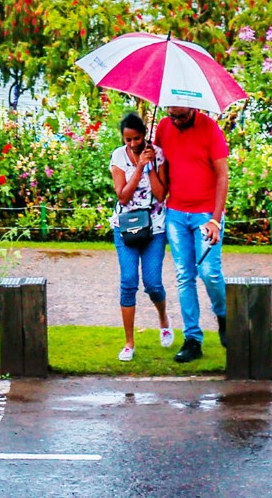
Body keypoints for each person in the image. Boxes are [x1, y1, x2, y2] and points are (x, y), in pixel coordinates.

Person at [154, 104, 230, 363]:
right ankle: (193, 339)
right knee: (184, 276)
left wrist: (216, 220)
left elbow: (222, 176)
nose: (176, 121)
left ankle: (223, 314)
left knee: (209, 272)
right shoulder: (163, 127)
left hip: (205, 214)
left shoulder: (210, 128)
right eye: (172, 115)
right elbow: (159, 165)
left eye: (182, 116)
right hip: (176, 213)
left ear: (193, 108)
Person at [109, 112, 173, 361]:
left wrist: (151, 167)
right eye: (127, 140)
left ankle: (163, 319)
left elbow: (160, 195)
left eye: (136, 139)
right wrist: (138, 168)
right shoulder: (118, 156)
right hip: (126, 226)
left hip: (154, 226)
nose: (132, 144)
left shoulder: (157, 154)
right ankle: (129, 342)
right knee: (128, 281)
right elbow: (122, 196)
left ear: (143, 135)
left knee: (153, 283)